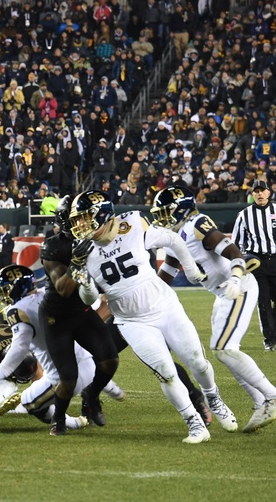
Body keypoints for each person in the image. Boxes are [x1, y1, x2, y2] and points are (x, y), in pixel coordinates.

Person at [69, 190, 236, 443]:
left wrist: (191, 271)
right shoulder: (83, 250)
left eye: (83, 218)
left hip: (165, 308)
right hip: (132, 321)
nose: (79, 225)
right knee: (165, 372)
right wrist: (82, 277)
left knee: (198, 363)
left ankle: (213, 396)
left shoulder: (132, 224)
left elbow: (172, 239)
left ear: (101, 215)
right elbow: (90, 299)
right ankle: (194, 424)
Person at [152, 186, 276, 433]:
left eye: (167, 212)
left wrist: (236, 277)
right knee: (226, 351)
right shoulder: (175, 237)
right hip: (222, 294)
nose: (163, 219)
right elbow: (166, 272)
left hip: (238, 287)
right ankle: (261, 400)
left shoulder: (197, 224)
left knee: (223, 349)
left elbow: (233, 252)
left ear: (181, 209)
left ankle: (272, 397)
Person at [0, 264, 101, 431]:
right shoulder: (47, 295)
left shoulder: (18, 310)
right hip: (75, 356)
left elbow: (19, 349)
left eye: (6, 289)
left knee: (33, 401)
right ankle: (78, 414)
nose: (3, 294)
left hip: (64, 359)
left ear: (18, 288)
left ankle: (75, 416)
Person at [38, 196, 121, 434]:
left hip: (83, 311)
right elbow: (63, 290)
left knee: (109, 359)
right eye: (78, 218)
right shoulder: (53, 245)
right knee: (68, 377)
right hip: (57, 317)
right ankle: (59, 419)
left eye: (86, 217)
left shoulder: (98, 238)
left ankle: (91, 395)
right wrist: (75, 262)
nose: (83, 223)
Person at [231, 179, 276, 350]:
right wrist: (242, 261)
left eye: (262, 191)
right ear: (252, 194)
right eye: (256, 191)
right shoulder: (244, 215)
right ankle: (270, 340)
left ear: (268, 193)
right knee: (263, 302)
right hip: (257, 263)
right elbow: (236, 243)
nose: (259, 194)